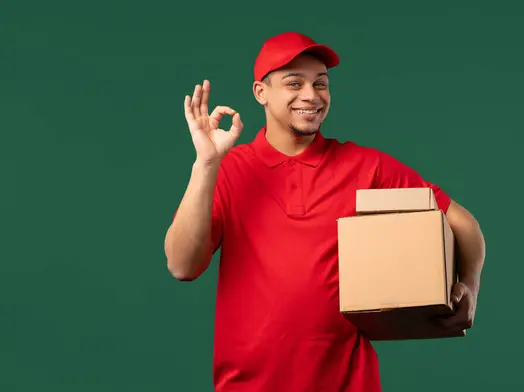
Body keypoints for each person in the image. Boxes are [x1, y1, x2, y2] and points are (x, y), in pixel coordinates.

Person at [164, 31, 486, 392]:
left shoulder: (366, 167)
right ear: (261, 93)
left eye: (321, 83)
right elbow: (182, 266)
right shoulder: (228, 169)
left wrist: (469, 286)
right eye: (294, 83)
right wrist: (206, 163)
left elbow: (461, 221)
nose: (311, 95)